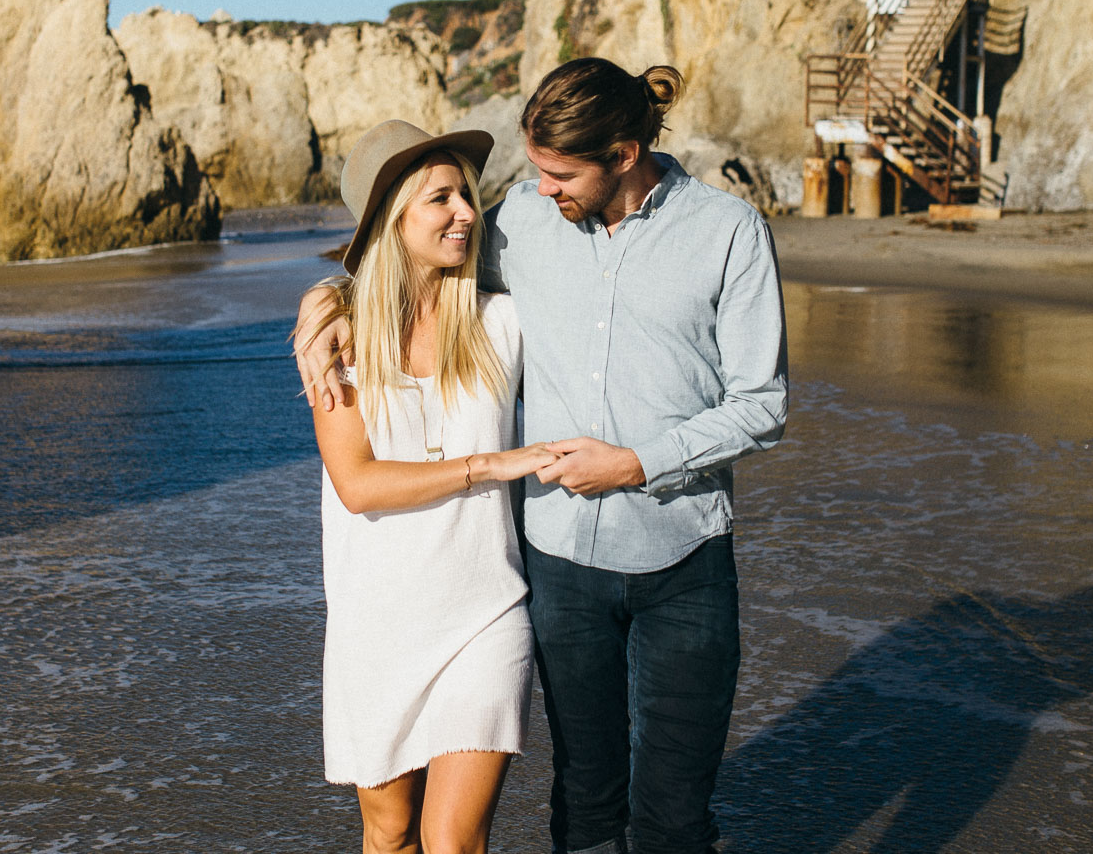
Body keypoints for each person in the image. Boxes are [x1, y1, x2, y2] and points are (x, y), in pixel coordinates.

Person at [299, 59, 789, 854]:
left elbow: (763, 404)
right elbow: (399, 261)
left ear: (623, 155)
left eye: (558, 174)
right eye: (531, 172)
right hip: (560, 565)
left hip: (685, 558)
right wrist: (322, 303)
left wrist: (635, 463)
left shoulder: (727, 232)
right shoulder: (520, 225)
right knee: (585, 805)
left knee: (673, 817)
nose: (536, 190)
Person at [296, 118, 558, 854]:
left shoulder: (501, 323)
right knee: (389, 835)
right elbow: (359, 484)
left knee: (453, 841)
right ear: (391, 219)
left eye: (467, 195)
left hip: (485, 612)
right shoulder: (335, 340)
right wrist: (486, 466)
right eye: (440, 198)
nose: (467, 213)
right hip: (376, 624)